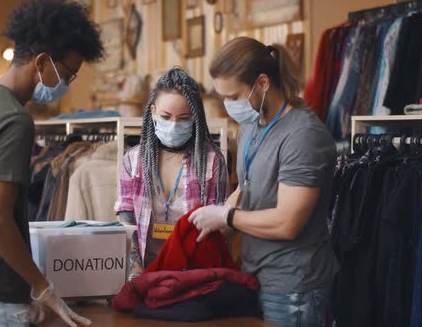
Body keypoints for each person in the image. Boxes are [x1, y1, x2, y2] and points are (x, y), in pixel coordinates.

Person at [0, 0, 103, 327]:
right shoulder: (15, 120)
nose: (66, 86)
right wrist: (43, 288)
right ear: (42, 62)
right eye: (68, 75)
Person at [189, 37, 339, 327]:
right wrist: (214, 222)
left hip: (294, 286)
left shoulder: (303, 136)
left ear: (263, 83)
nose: (227, 105)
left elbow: (287, 223)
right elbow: (246, 189)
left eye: (233, 96)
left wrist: (227, 217)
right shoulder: (250, 126)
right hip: (254, 275)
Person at [115, 68, 230, 280]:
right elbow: (126, 218)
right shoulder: (134, 160)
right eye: (166, 117)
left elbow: (220, 225)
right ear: (152, 112)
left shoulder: (212, 161)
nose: (174, 125)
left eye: (184, 118)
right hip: (144, 272)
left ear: (195, 118)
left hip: (194, 274)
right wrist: (135, 271)